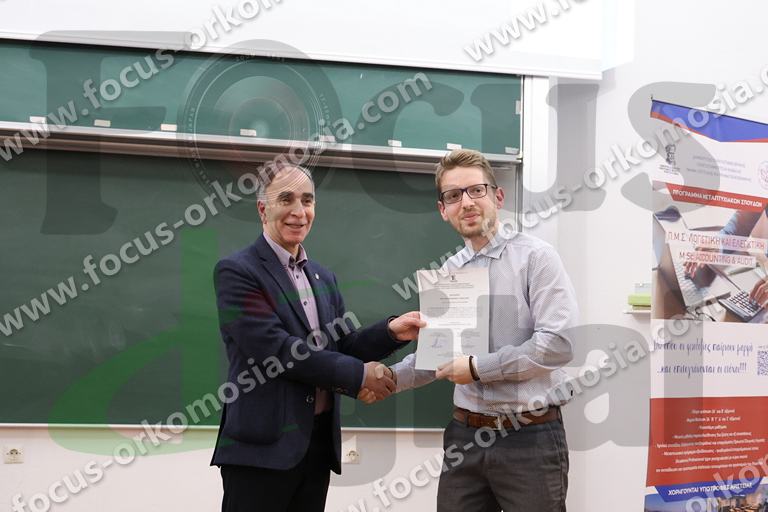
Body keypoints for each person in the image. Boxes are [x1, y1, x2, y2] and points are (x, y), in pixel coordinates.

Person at [210, 163, 424, 512]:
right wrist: (359, 376)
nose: (299, 211)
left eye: (307, 200)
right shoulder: (237, 272)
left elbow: (343, 345)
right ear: (263, 209)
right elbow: (277, 351)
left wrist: (390, 332)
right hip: (260, 452)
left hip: (316, 448)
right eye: (286, 199)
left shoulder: (323, 277)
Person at [386, 149, 578, 511]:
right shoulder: (449, 271)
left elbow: (558, 344)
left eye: (476, 190)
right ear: (443, 210)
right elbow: (440, 355)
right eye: (453, 195)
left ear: (497, 197)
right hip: (465, 438)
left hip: (529, 437)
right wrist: (383, 379)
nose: (467, 202)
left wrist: (477, 368)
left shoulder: (536, 258)